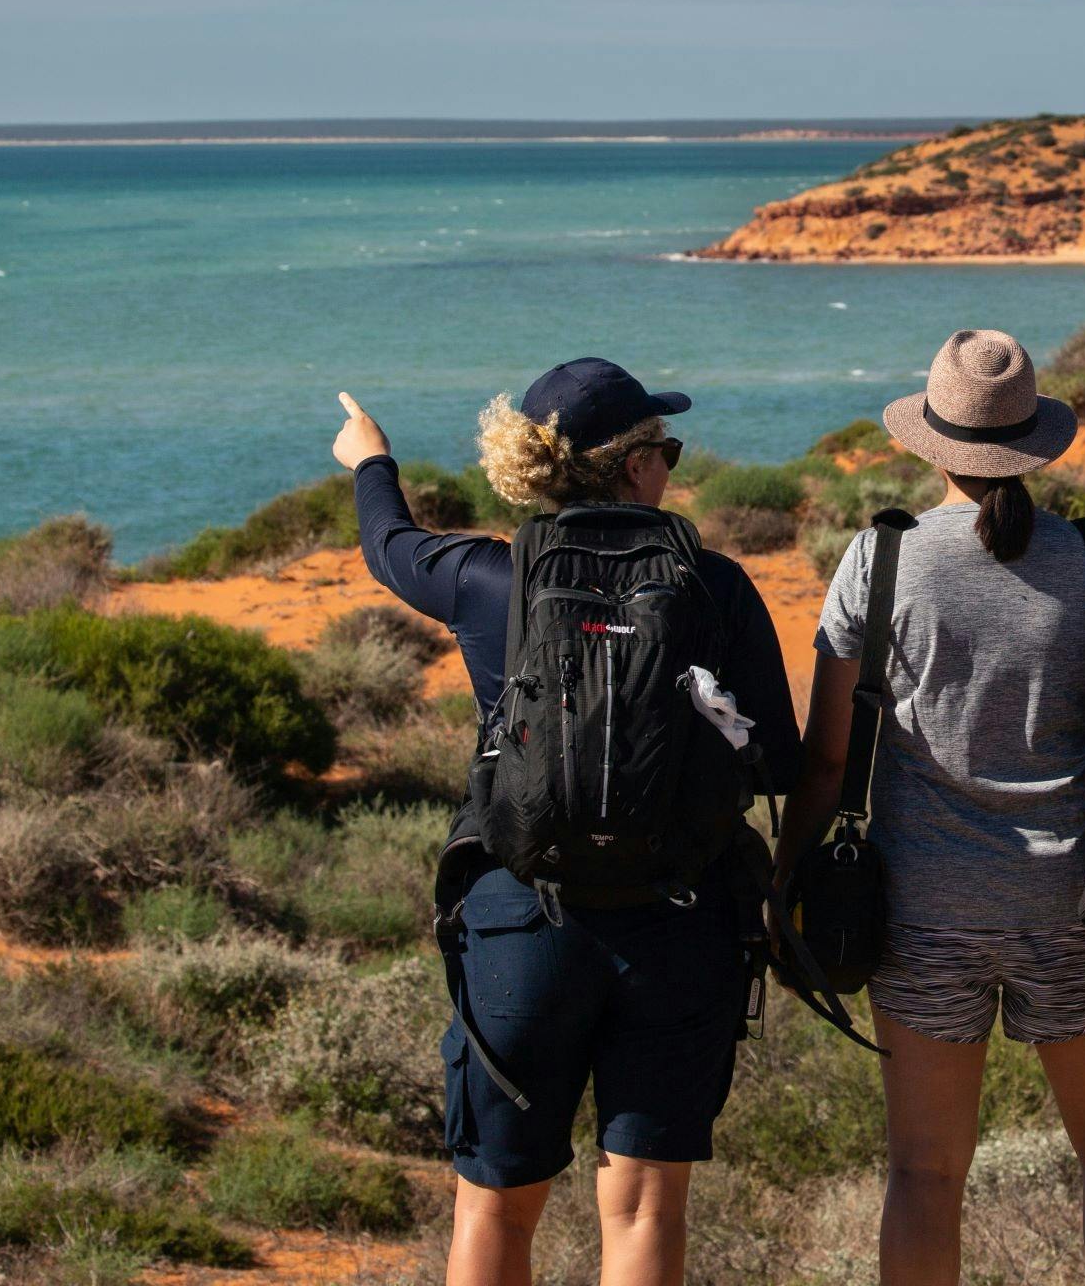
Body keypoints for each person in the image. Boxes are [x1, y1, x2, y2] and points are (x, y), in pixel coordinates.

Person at [331, 358, 800, 1286]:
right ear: (632, 470)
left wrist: (369, 459)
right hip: (679, 918)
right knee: (641, 1209)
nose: (669, 463)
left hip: (522, 921)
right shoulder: (715, 586)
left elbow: (388, 545)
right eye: (662, 449)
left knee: (494, 1209)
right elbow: (778, 763)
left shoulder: (484, 577)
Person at [777, 329, 1085, 1286]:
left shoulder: (883, 559)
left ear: (930, 441)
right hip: (1070, 900)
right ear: (1036, 439)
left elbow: (828, 755)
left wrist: (785, 891)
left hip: (922, 909)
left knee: (923, 1172)